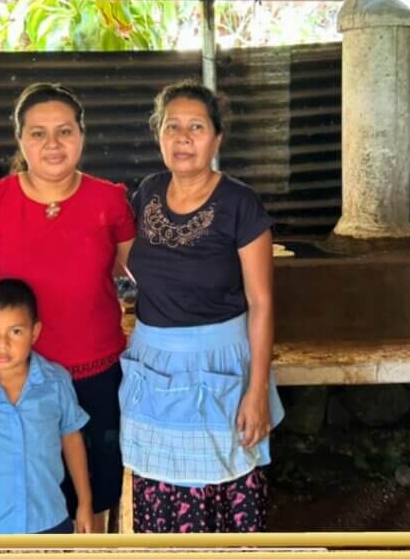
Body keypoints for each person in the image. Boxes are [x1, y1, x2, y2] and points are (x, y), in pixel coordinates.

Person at [0, 83, 135, 532]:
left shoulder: (108, 200)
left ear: (82, 136)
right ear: (20, 140)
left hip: (96, 374)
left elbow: (148, 274)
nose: (52, 144)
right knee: (22, 486)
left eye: (64, 131)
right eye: (38, 133)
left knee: (97, 490)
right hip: (14, 378)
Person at [119, 79, 285, 533]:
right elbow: (129, 261)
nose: (183, 138)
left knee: (221, 486)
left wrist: (256, 391)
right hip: (154, 363)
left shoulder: (239, 204)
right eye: (172, 126)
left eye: (196, 127)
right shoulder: (148, 192)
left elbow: (261, 303)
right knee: (158, 487)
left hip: (221, 365)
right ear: (158, 135)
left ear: (216, 138)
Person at [0, 279, 93, 534]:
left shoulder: (55, 382)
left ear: (34, 333)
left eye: (15, 332)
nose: (2, 345)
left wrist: (85, 504)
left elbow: (72, 441)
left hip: (48, 520)